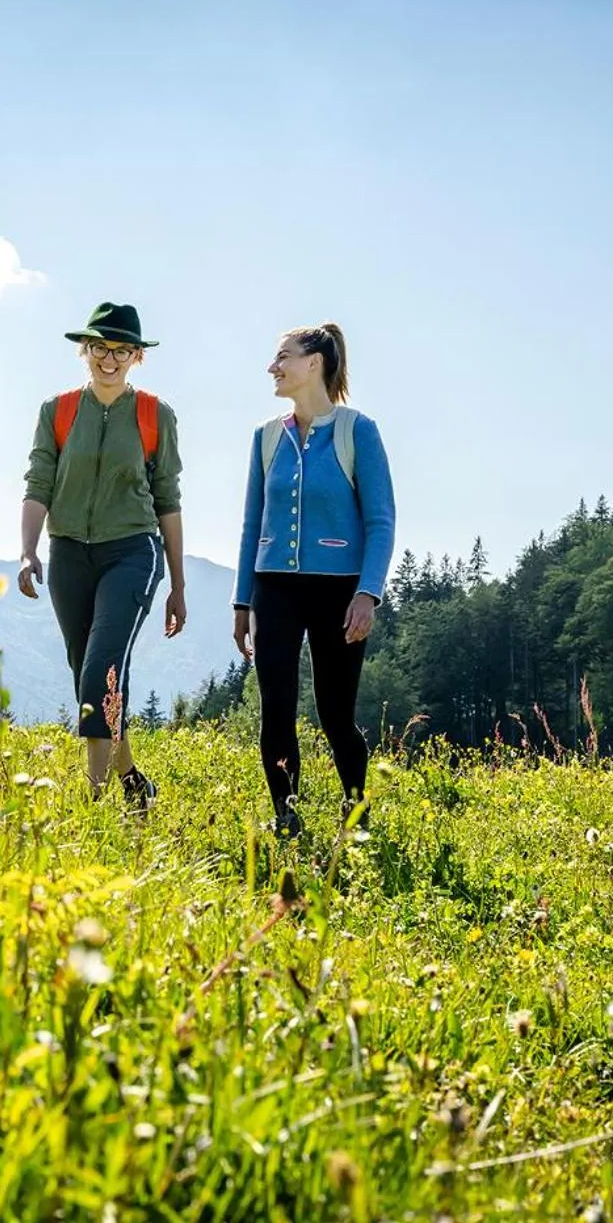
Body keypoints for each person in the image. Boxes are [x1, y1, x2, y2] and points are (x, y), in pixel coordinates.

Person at [18, 302, 187, 810]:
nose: (109, 359)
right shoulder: (59, 410)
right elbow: (38, 482)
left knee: (102, 672)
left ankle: (90, 807)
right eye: (99, 348)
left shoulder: (156, 415)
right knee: (87, 674)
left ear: (136, 356)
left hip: (132, 551)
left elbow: (168, 500)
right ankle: (134, 782)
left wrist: (178, 584)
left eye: (120, 350)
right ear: (85, 350)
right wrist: (28, 552)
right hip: (68, 552)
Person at [231, 322, 395, 839]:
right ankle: (286, 815)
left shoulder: (357, 431)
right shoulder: (265, 437)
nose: (273, 367)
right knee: (275, 705)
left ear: (315, 363)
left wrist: (368, 592)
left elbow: (381, 519)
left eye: (283, 356)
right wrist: (241, 602)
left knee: (335, 714)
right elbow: (252, 523)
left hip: (339, 590)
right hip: (273, 587)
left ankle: (356, 814)